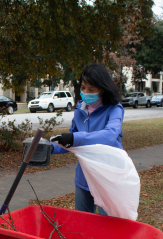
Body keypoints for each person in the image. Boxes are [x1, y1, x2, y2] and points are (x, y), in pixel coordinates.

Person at [50, 63, 124, 215]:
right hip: (84, 176)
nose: (85, 92)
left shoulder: (115, 109)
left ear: (102, 89)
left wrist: (75, 138)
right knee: (82, 222)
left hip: (107, 177)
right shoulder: (80, 110)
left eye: (91, 89)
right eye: (83, 88)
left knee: (106, 225)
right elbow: (70, 141)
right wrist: (49, 147)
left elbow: (109, 135)